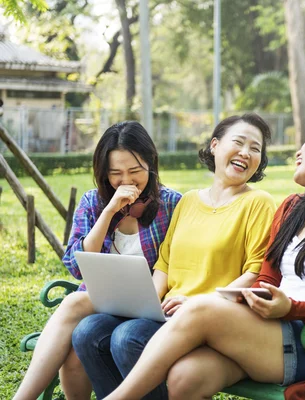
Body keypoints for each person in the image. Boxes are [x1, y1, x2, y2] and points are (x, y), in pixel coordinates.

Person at [100, 123, 305, 400]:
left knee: (200, 309)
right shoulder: (293, 207)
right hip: (266, 332)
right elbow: (267, 280)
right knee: (185, 378)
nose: (299, 150)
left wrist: (291, 308)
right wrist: (245, 299)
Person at [71, 113, 277, 399]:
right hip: (166, 314)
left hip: (209, 319)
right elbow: (165, 264)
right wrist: (145, 307)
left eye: (255, 148)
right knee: (87, 332)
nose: (246, 152)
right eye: (239, 142)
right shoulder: (189, 200)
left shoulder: (258, 203)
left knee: (127, 338)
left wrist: (197, 303)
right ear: (215, 145)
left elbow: (254, 273)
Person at [13, 121, 182, 400]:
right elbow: (77, 267)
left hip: (152, 305)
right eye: (116, 173)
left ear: (150, 164)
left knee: (74, 302)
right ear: (104, 173)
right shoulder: (94, 202)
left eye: (135, 171)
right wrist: (109, 212)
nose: (126, 180)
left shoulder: (171, 204)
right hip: (102, 305)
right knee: (75, 350)